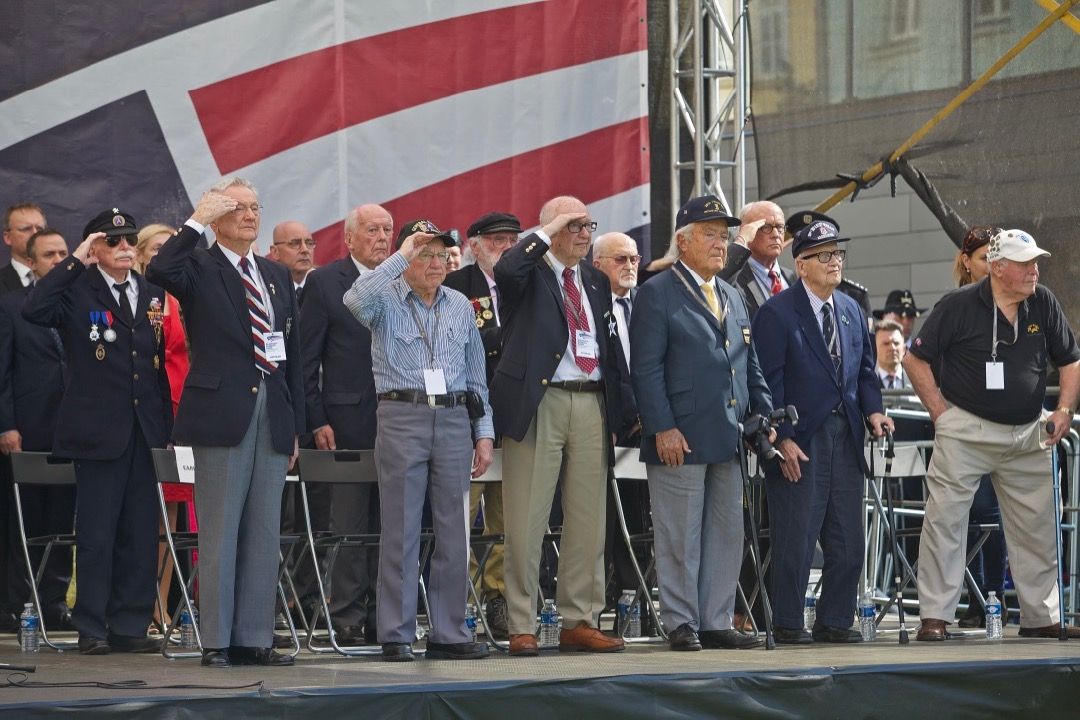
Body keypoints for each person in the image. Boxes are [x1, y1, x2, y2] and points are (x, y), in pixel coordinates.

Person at [146, 178, 304, 668]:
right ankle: (215, 639)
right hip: (222, 414)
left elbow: (291, 353)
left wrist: (293, 422)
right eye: (237, 208)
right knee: (220, 531)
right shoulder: (198, 265)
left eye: (256, 207)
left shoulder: (276, 275)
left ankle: (254, 637)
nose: (250, 216)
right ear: (216, 216)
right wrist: (196, 220)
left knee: (262, 533)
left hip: (271, 413)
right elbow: (159, 268)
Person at [904, 229, 1080, 641]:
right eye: (1025, 262)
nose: (1035, 269)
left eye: (1036, 261)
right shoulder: (959, 305)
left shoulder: (1043, 301)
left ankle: (1041, 617)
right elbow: (915, 359)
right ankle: (935, 617)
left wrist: (1065, 410)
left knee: (1038, 526)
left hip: (1026, 432)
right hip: (966, 430)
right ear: (998, 269)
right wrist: (941, 415)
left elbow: (1070, 361)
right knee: (944, 521)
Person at [23, 209, 172, 655]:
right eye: (113, 241)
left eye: (130, 240)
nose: (126, 247)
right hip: (97, 432)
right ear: (94, 248)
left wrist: (164, 426)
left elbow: (157, 364)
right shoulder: (74, 289)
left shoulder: (151, 292)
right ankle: (92, 626)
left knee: (139, 531)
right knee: (97, 534)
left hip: (144, 430)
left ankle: (130, 624)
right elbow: (34, 309)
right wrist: (77, 260)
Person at [343, 218, 493, 662]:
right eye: (424, 253)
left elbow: (477, 376)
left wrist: (483, 433)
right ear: (407, 257)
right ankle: (396, 632)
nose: (435, 262)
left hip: (452, 416)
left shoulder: (461, 306)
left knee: (455, 531)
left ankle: (449, 632)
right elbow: (353, 298)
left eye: (440, 253)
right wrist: (400, 254)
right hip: (401, 414)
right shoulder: (385, 299)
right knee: (402, 527)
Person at [631, 196, 772, 651]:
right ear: (682, 240)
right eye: (710, 234)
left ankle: (715, 620)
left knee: (725, 533)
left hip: (728, 432)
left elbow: (748, 362)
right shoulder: (657, 291)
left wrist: (761, 414)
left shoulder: (730, 292)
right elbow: (646, 369)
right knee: (679, 534)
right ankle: (681, 621)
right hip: (681, 435)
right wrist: (662, 426)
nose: (721, 243)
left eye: (724, 235)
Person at [492, 195, 624, 657]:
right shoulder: (527, 273)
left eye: (589, 224)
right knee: (527, 518)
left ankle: (580, 619)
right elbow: (506, 270)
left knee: (590, 520)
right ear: (548, 230)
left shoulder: (594, 278)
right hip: (540, 400)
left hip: (591, 401)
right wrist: (546, 232)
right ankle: (522, 622)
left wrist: (619, 413)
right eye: (574, 225)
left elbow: (608, 345)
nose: (585, 233)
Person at [752, 212, 892, 644]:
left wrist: (874, 411)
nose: (835, 261)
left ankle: (835, 619)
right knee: (797, 535)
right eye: (823, 255)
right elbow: (765, 381)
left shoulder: (851, 309)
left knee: (848, 538)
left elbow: (866, 372)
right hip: (801, 437)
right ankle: (789, 622)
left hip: (846, 435)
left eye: (837, 253)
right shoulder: (778, 312)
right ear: (802, 265)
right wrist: (783, 438)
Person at [301, 203, 392, 645]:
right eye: (372, 229)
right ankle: (346, 616)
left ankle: (384, 614)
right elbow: (306, 359)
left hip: (400, 422)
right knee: (350, 524)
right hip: (346, 421)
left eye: (388, 229)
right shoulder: (324, 283)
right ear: (349, 238)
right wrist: (315, 417)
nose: (382, 237)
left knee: (391, 523)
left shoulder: (402, 276)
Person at [443, 211, 521, 640]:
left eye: (512, 239)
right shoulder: (457, 287)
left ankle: (498, 598)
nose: (506, 246)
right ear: (474, 245)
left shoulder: (528, 285)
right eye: (496, 240)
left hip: (515, 417)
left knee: (507, 518)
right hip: (468, 413)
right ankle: (460, 601)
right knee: (460, 512)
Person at [0, 229, 76, 631]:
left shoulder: (79, 304)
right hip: (28, 429)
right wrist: (6, 424)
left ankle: (54, 602)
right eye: (49, 254)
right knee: (25, 522)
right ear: (30, 263)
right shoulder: (11, 306)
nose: (59, 260)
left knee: (63, 523)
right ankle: (17, 602)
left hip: (71, 432)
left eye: (64, 253)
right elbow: (3, 373)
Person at [134, 222, 195, 634]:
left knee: (176, 514)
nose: (163, 255)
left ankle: (168, 603)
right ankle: (148, 603)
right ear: (141, 255)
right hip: (158, 408)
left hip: (192, 412)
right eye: (156, 248)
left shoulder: (189, 295)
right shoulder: (143, 299)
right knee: (154, 516)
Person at [591, 231, 651, 632]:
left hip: (652, 429)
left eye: (633, 259)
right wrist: (619, 419)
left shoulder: (647, 304)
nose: (631, 266)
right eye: (620, 260)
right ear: (597, 266)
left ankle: (642, 603)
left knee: (645, 521)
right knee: (609, 522)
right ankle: (610, 601)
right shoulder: (591, 308)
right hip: (609, 429)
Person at [951, 224, 1006, 629]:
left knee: (999, 517)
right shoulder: (954, 307)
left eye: (998, 257)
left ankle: (995, 598)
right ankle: (976, 598)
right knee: (975, 514)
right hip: (968, 430)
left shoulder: (1023, 303)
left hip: (1010, 429)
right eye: (986, 257)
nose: (993, 265)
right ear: (967, 263)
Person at [729, 201, 794, 318]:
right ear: (746, 230)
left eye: (780, 227)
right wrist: (741, 240)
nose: (775, 234)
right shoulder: (733, 278)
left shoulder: (793, 277)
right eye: (766, 227)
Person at [2, 203, 46, 294]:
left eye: (40, 229)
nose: (35, 234)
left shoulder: (62, 279)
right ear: (8, 238)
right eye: (26, 229)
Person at [267, 221, 316, 304]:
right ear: (275, 252)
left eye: (309, 243)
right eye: (295, 244)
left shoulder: (327, 285)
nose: (305, 250)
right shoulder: (266, 289)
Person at [874, 319, 910, 390]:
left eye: (896, 343)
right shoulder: (864, 382)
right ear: (874, 349)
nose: (892, 348)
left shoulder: (916, 380)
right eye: (886, 344)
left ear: (904, 349)